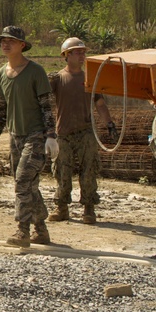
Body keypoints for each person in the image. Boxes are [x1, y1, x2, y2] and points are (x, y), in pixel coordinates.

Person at [0, 25, 57, 247]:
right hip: (15, 136)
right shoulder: (0, 74)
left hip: (35, 136)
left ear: (22, 45)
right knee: (30, 185)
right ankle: (41, 230)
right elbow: (2, 107)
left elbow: (46, 106)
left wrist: (51, 135)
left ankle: (22, 230)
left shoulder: (35, 71)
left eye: (10, 40)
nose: (5, 44)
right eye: (2, 40)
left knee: (22, 181)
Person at [48, 37, 117, 225]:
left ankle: (89, 208)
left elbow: (100, 104)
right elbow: (42, 101)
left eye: (83, 52)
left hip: (86, 132)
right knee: (62, 171)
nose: (82, 55)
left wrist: (109, 124)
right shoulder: (57, 79)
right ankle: (61, 207)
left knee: (89, 170)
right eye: (78, 52)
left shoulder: (90, 79)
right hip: (63, 134)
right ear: (66, 55)